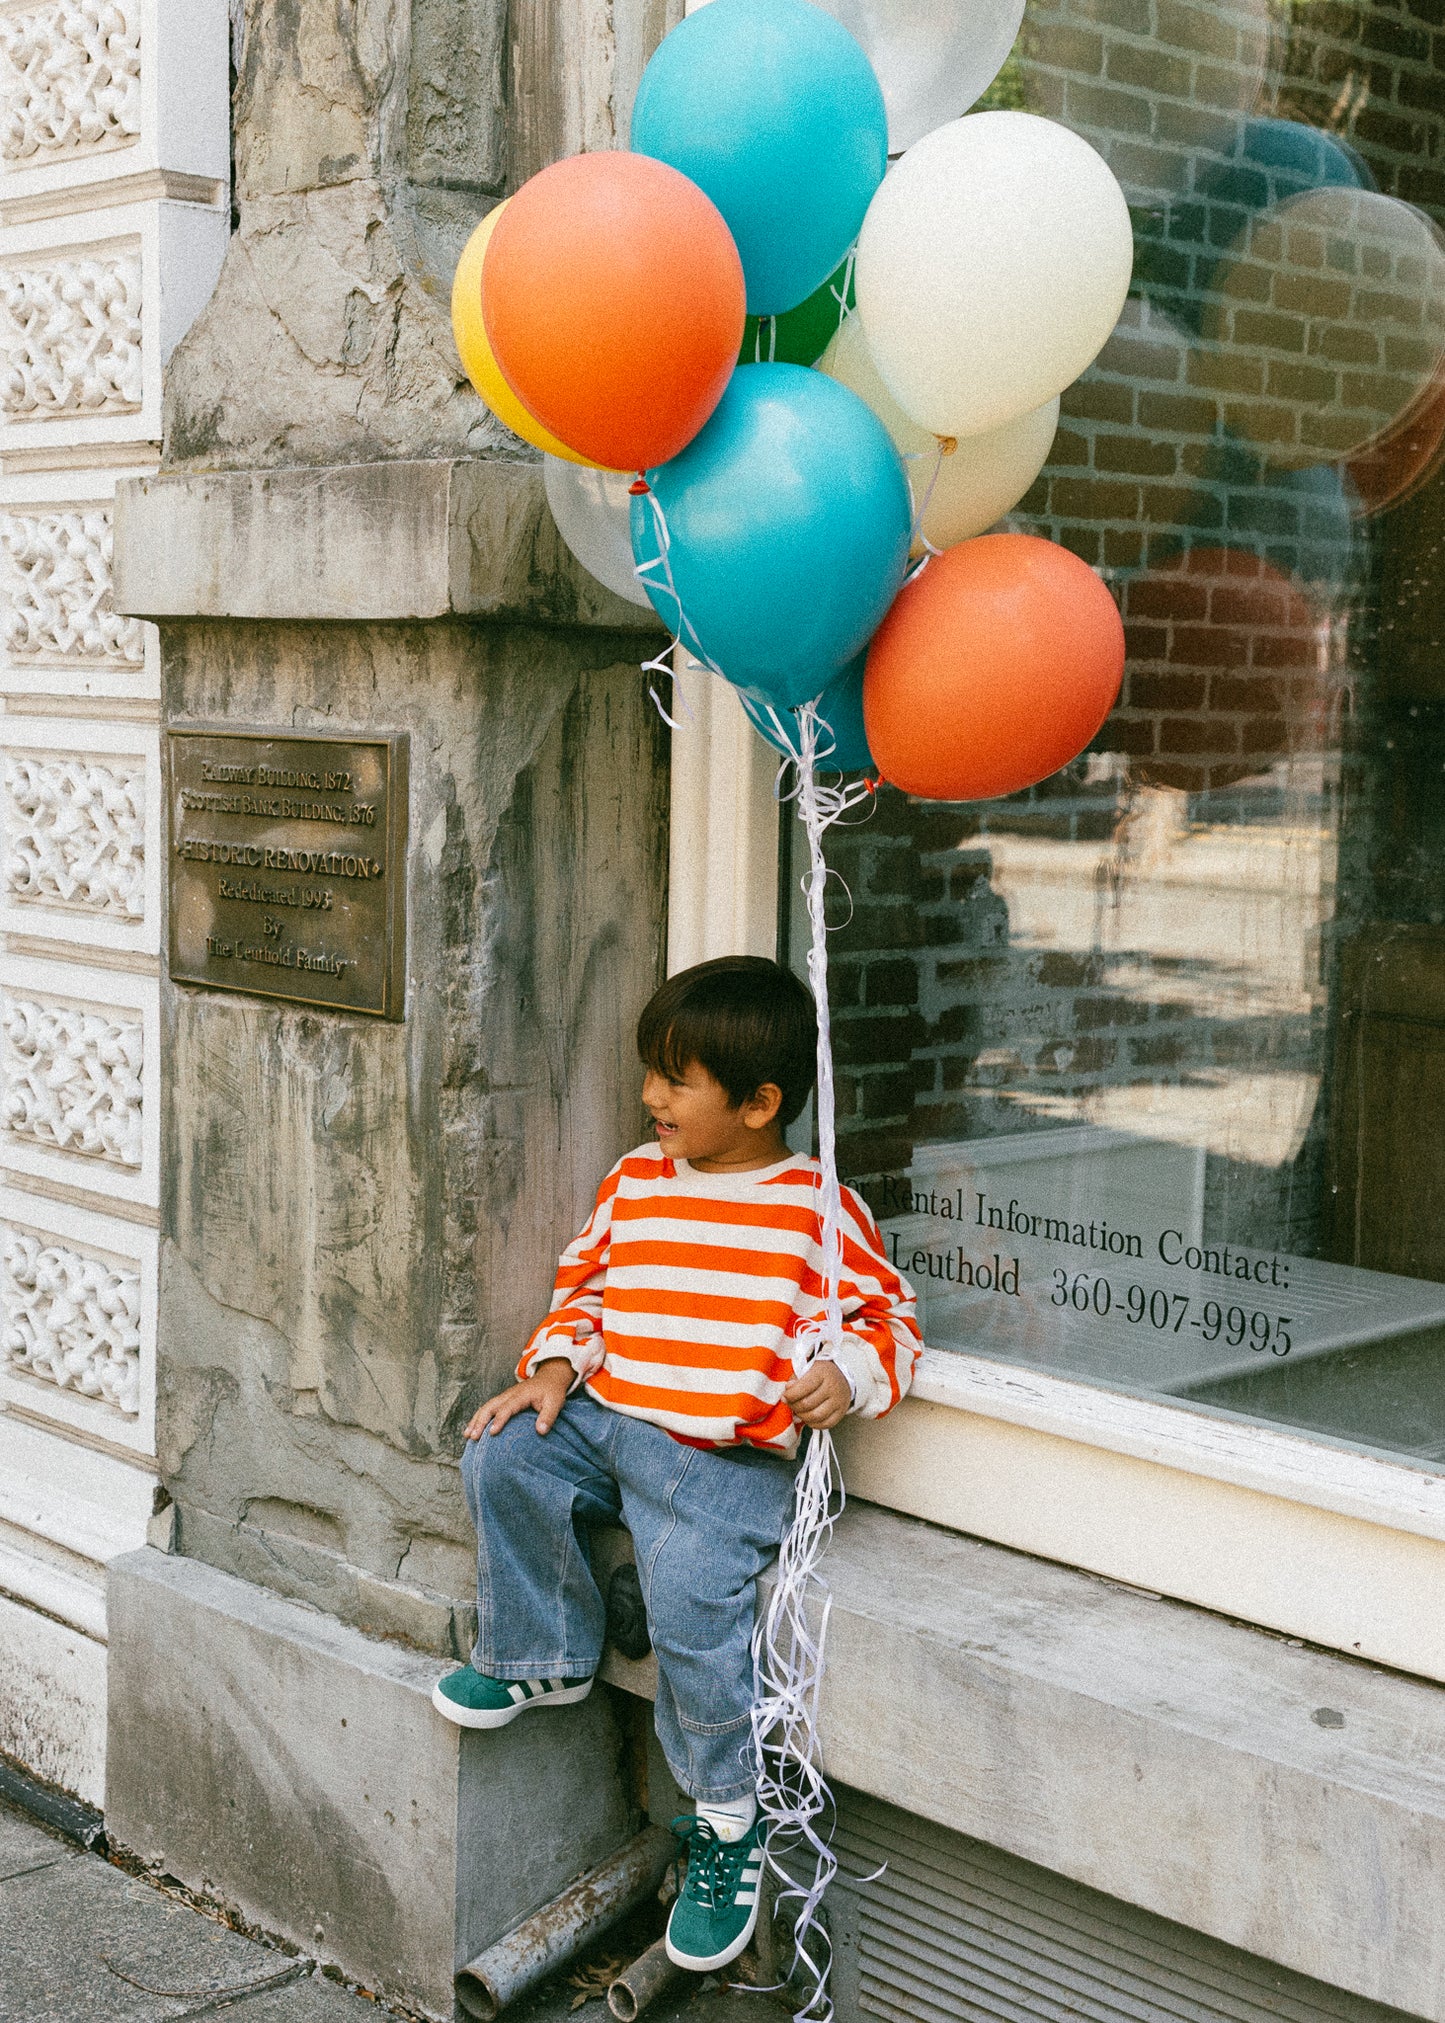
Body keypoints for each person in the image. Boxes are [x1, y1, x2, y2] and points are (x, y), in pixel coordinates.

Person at [433, 955, 920, 1972]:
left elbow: (890, 1319)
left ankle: (725, 1819)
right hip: (610, 1421)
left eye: (674, 1078)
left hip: (719, 1462)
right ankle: (543, 1654)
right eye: (649, 1072)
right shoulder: (635, 1179)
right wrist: (557, 1366)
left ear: (758, 1103)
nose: (648, 1095)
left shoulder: (815, 1211)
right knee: (502, 1455)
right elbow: (588, 1290)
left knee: (696, 1606)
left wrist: (849, 1370)